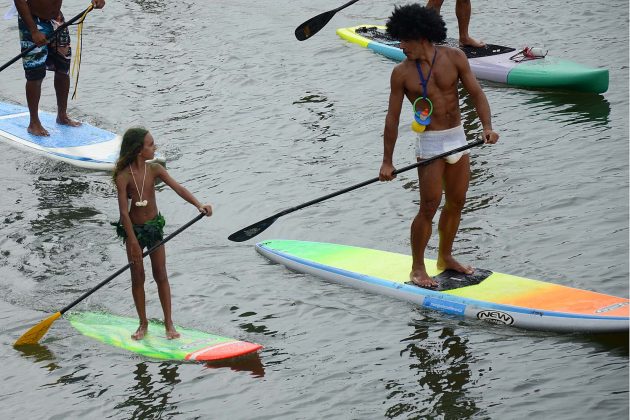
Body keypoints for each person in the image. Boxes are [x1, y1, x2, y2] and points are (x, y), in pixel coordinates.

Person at [378, 5, 498, 288]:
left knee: (457, 202)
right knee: (429, 207)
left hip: (458, 137)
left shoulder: (454, 57)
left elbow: (476, 93)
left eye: (404, 40)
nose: (400, 46)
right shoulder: (401, 73)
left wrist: (487, 126)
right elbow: (392, 119)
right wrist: (387, 161)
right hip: (431, 143)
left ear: (420, 36)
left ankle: (445, 258)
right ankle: (417, 268)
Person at [112, 128, 213, 340]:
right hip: (134, 232)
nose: (155, 147)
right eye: (150, 145)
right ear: (139, 150)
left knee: (161, 274)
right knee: (137, 278)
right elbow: (123, 213)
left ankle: (169, 324)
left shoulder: (155, 169)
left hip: (154, 228)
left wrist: (199, 204)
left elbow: (179, 188)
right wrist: (133, 243)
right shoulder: (123, 177)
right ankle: (143, 324)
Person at [13, 0, 106, 136]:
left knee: (63, 69)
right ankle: (34, 122)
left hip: (57, 20)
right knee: (35, 74)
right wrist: (33, 31)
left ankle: (62, 116)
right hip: (33, 23)